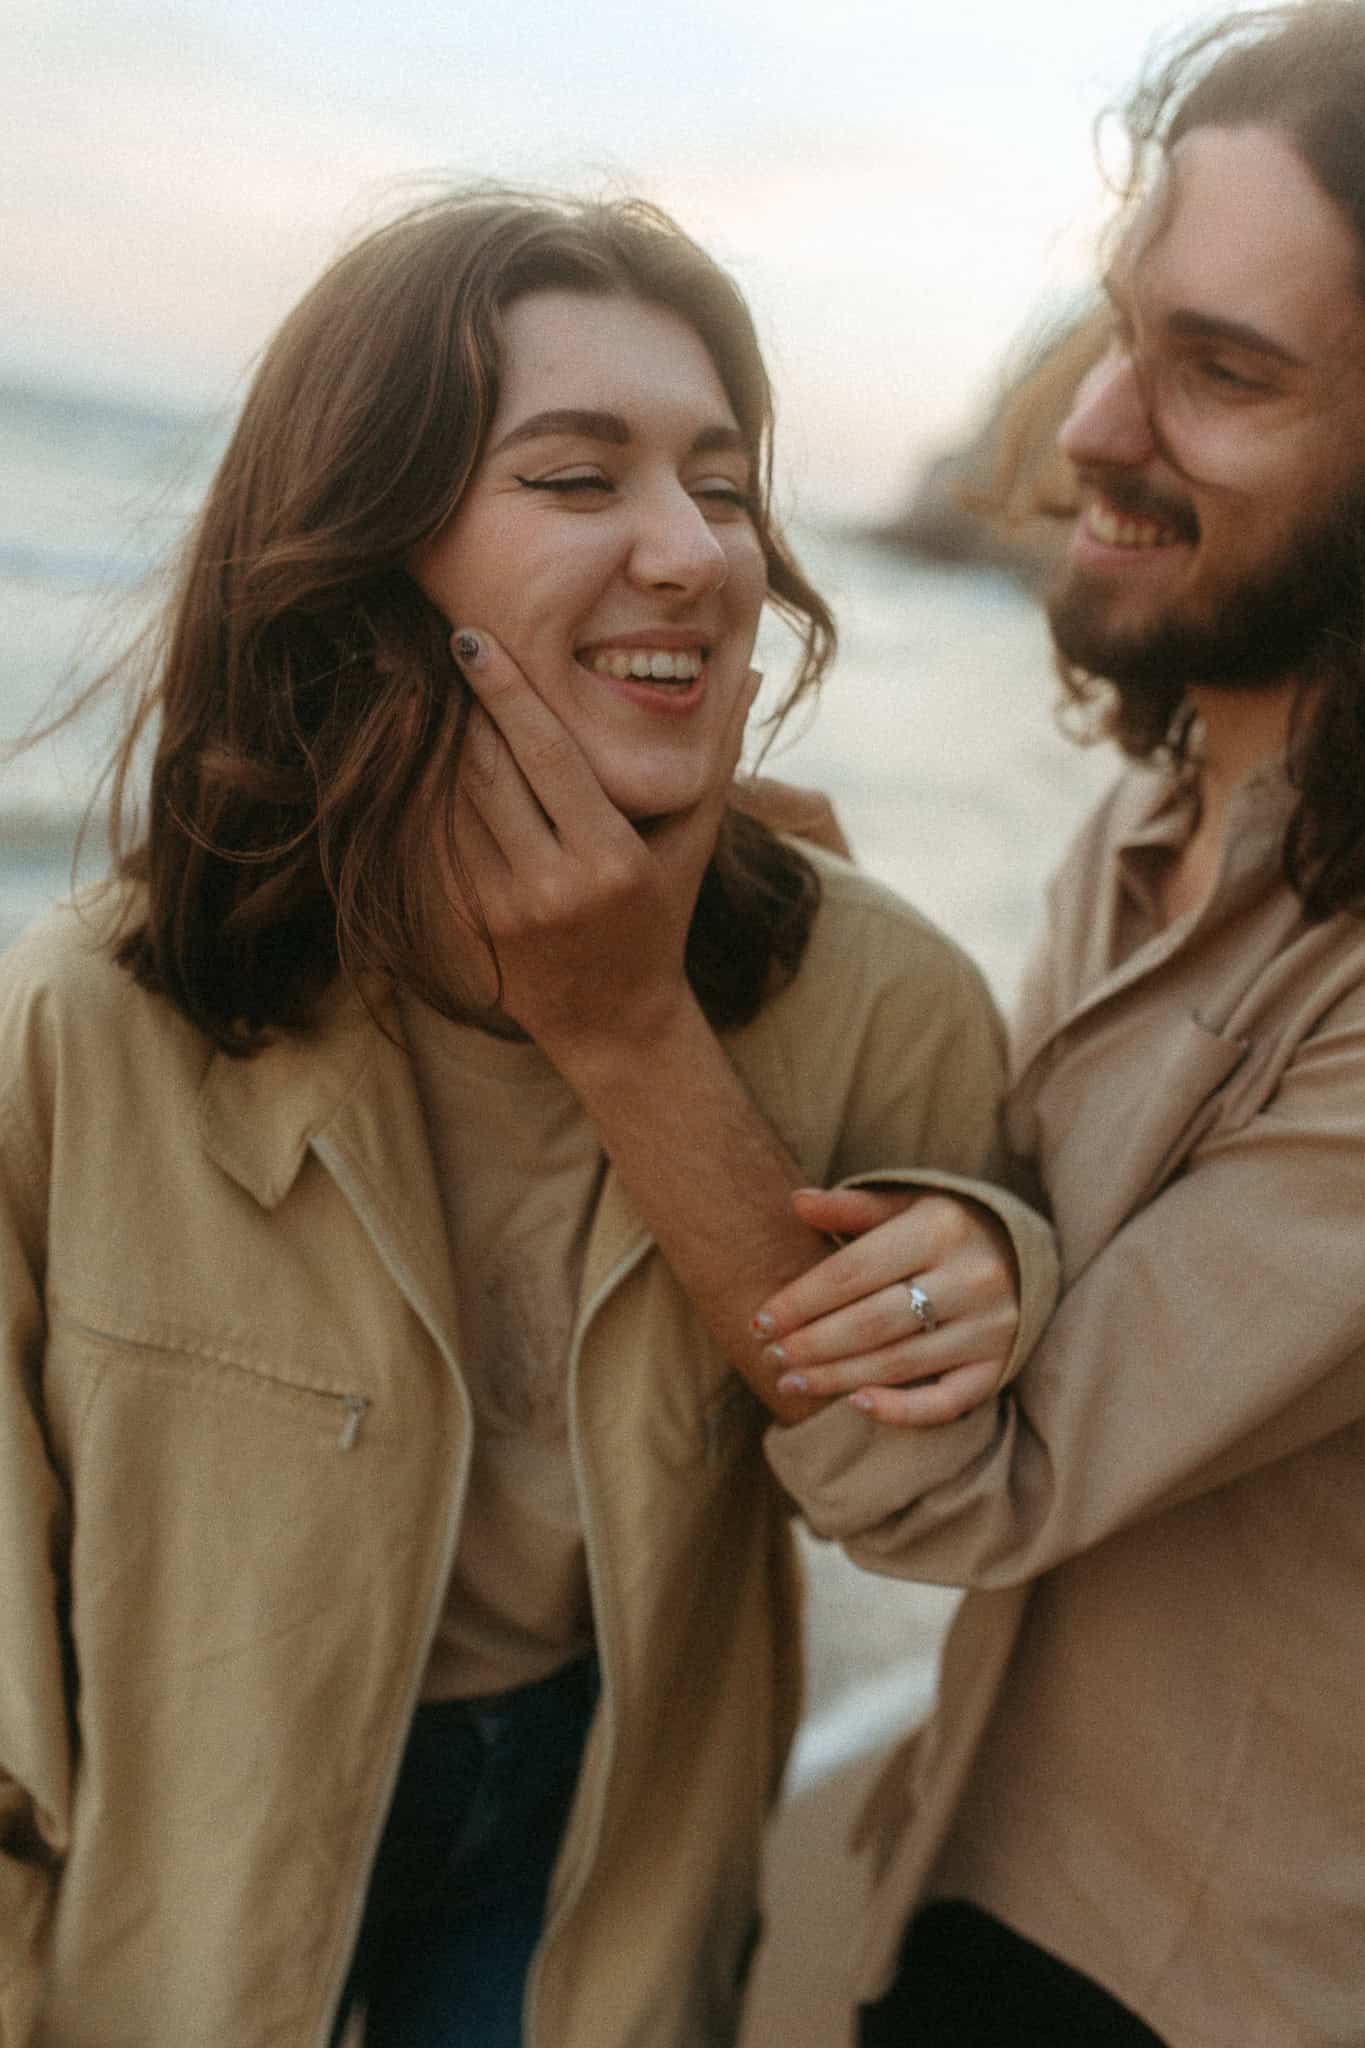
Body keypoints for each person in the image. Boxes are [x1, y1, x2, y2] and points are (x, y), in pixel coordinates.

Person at [0, 189, 1056, 2047]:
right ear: (359, 553)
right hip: (195, 1824)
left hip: (595, 1831)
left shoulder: (878, 999)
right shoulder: (93, 1013)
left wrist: (643, 1037)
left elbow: (939, 1513)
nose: (692, 555)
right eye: (578, 481)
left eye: (720, 487)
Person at [749, 5, 1365, 2041]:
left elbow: (961, 1474)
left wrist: (608, 1022)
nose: (1093, 426)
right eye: (1125, 330)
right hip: (982, 1866)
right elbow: (1004, 1236)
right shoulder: (1160, 804)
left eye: (1220, 374)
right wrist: (791, 939)